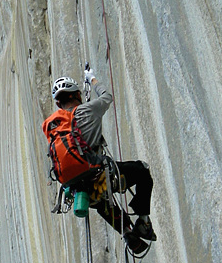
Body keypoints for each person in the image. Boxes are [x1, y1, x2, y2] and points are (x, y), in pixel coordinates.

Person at [42, 69, 156, 253]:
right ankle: (143, 221)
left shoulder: (55, 128)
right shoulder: (88, 109)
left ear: (58, 103)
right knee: (142, 171)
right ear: (78, 94)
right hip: (105, 178)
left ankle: (126, 231)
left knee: (100, 202)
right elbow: (106, 97)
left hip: (82, 191)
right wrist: (92, 79)